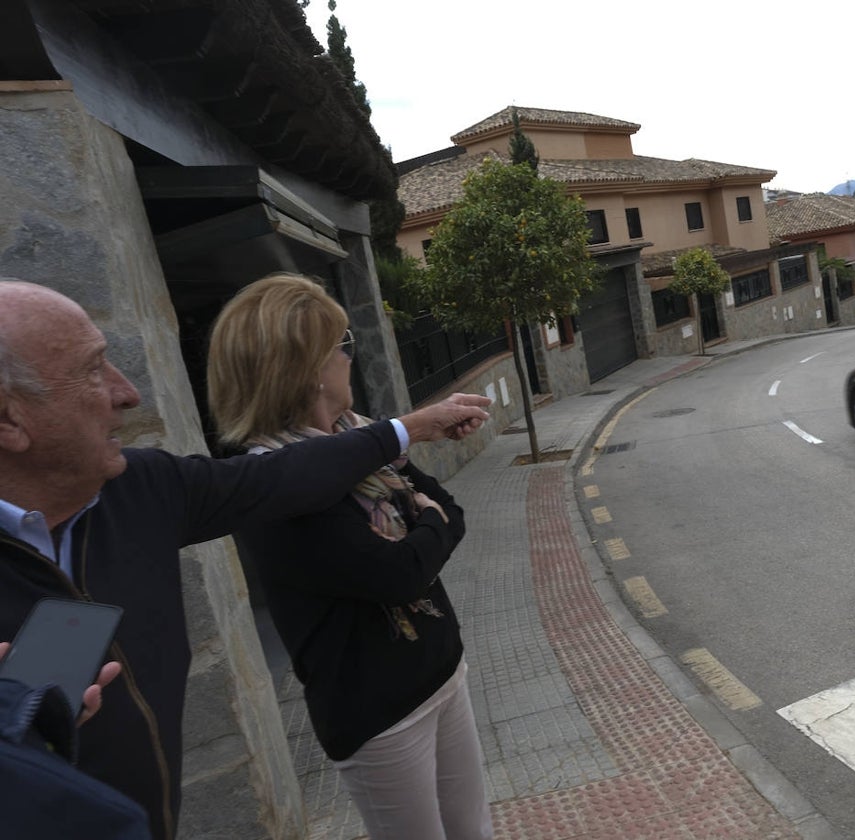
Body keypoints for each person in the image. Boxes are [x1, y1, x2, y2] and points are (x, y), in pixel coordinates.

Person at [0, 278, 491, 840]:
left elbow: (286, 476)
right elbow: (399, 571)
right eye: (92, 370)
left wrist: (408, 429)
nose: (128, 392)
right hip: (378, 713)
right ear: (8, 420)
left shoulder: (136, 492)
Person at [206, 274, 493, 840]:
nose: (350, 360)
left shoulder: (359, 437)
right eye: (343, 346)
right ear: (311, 367)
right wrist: (426, 519)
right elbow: (398, 573)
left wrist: (429, 520)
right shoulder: (271, 483)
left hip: (441, 673)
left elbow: (452, 511)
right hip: (379, 714)